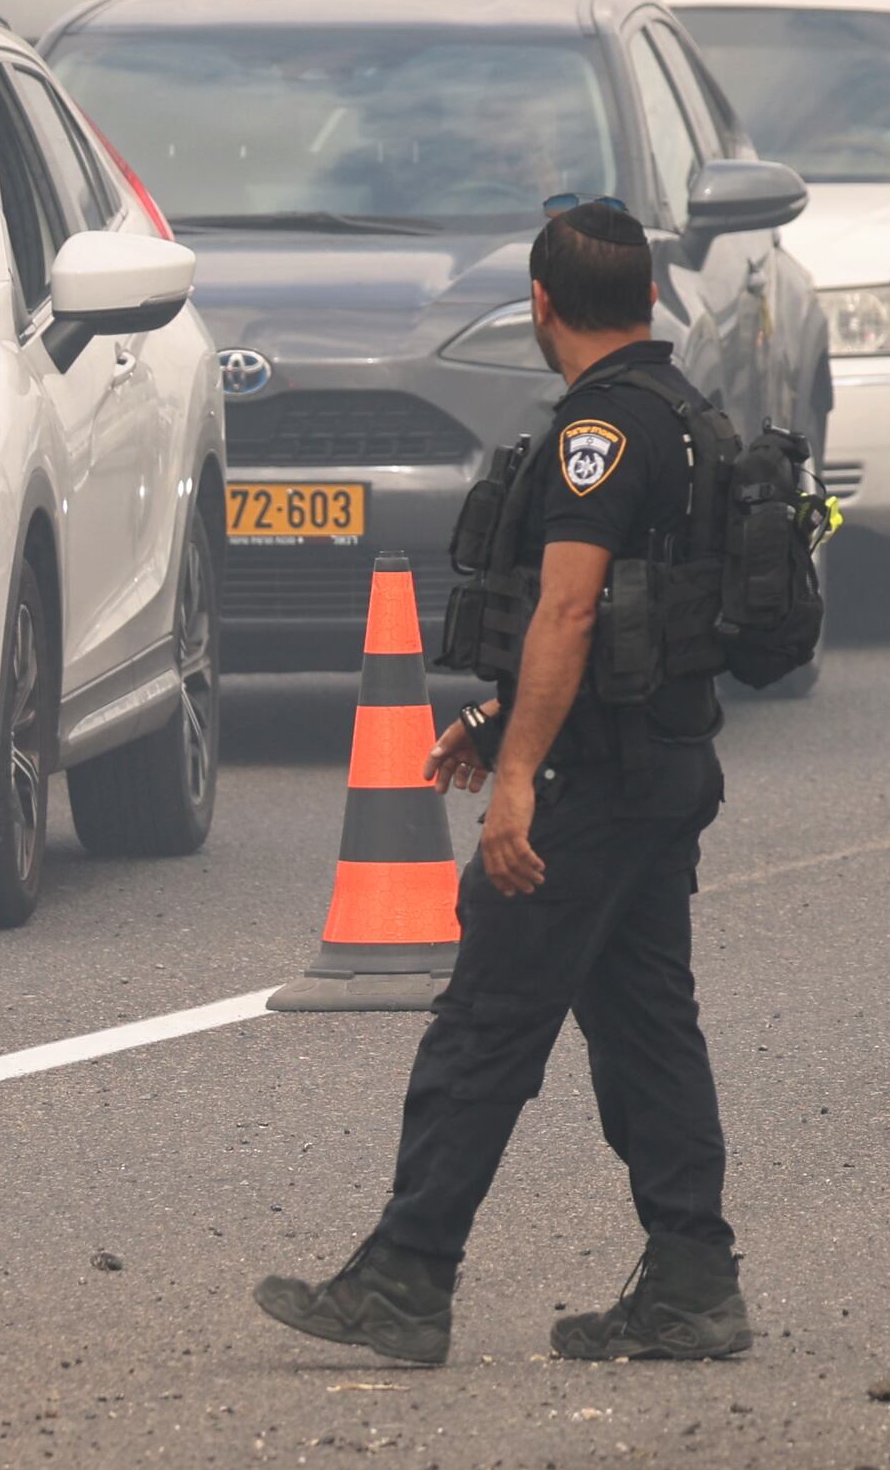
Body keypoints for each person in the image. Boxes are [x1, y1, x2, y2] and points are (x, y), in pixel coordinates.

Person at [257, 200, 747, 1369]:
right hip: (667, 763)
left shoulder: (598, 436)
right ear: (644, 300)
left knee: (485, 1025)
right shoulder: (687, 419)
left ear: (539, 305)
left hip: (598, 785)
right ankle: (690, 1279)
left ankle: (406, 1276)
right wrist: (493, 713)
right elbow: (641, 627)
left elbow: (572, 608)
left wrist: (517, 775)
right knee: (645, 1031)